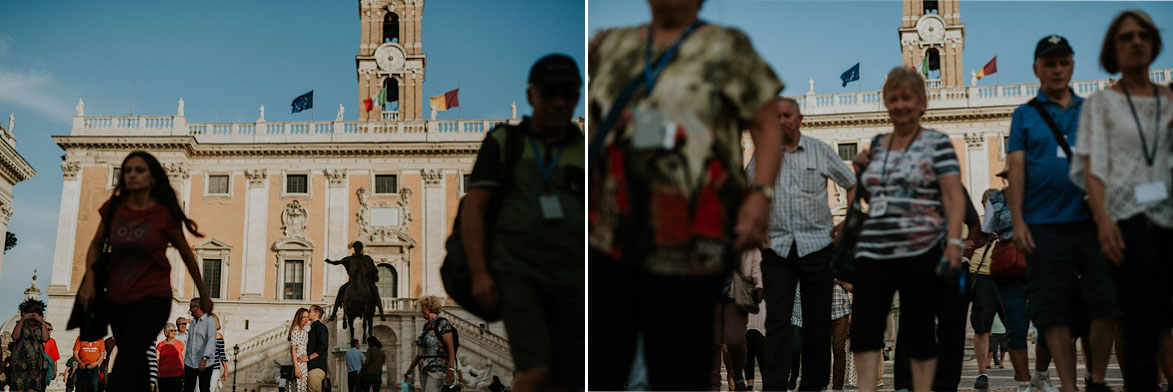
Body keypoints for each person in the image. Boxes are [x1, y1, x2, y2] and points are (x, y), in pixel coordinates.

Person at [587, 0, 784, 389]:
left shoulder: (727, 45)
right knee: (606, 362)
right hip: (612, 232)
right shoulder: (612, 46)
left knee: (680, 363)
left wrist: (760, 193)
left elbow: (766, 123)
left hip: (695, 238)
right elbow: (596, 127)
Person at [1006, 33, 1122, 392]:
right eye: (1049, 63)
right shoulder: (1024, 115)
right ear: (1036, 69)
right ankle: (1069, 386)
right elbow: (1016, 169)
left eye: (1063, 62)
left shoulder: (1092, 110)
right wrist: (1020, 220)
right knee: (1052, 311)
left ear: (1071, 65)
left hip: (1090, 220)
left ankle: (1097, 379)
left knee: (1106, 302)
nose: (1057, 69)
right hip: (1043, 224)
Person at [462, 53, 584, 392]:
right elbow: (474, 209)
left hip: (571, 276)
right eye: (550, 94)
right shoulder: (506, 141)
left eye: (569, 94)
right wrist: (479, 272)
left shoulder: (582, 147)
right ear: (532, 96)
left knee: (573, 370)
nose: (560, 102)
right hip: (519, 274)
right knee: (537, 367)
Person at [1072, 10, 1173, 392]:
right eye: (1125, 36)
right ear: (1113, 48)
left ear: (1154, 43)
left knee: (1164, 323)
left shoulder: (1169, 99)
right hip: (1127, 225)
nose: (1135, 42)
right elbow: (1093, 170)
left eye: (1143, 35)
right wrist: (1103, 220)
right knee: (1137, 329)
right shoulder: (1101, 106)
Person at [849, 66, 965, 392]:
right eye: (894, 98)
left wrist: (954, 242)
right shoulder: (877, 144)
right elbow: (872, 197)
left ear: (922, 103)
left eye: (907, 98)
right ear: (885, 103)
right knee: (866, 329)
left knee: (919, 327)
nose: (900, 105)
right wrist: (860, 172)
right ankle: (867, 389)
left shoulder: (937, 143)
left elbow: (953, 195)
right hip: (874, 248)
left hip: (921, 246)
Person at [76, 151, 214, 391]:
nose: (132, 174)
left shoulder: (163, 212)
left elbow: (185, 252)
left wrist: (203, 291)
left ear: (151, 178)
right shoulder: (113, 208)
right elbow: (96, 245)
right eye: (127, 170)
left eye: (139, 170)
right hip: (119, 296)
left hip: (154, 296)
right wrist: (89, 282)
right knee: (134, 354)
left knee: (131, 350)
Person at [745, 96, 856, 392]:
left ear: (800, 119)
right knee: (778, 323)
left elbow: (852, 182)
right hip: (777, 250)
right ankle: (774, 386)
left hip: (817, 248)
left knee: (817, 324)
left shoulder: (820, 151)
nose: (782, 121)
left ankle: (813, 387)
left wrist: (847, 223)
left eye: (787, 115)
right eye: (776, 117)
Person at [710, 248, 762, 391]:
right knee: (713, 343)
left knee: (736, 340)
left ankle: (738, 374)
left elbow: (755, 255)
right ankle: (714, 385)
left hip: (737, 295)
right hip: (710, 289)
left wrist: (759, 286)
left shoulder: (743, 229)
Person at [405, 296, 457, 392]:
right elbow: (421, 352)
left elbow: (451, 348)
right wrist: (411, 368)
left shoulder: (442, 323)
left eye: (422, 308)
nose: (421, 310)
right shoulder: (427, 326)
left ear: (428, 308)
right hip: (424, 369)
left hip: (438, 369)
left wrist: (451, 369)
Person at [326, 242, 385, 321]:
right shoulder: (350, 259)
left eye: (359, 248)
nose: (357, 249)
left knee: (375, 291)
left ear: (361, 249)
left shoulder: (367, 258)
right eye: (356, 248)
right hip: (352, 281)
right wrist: (331, 262)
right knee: (341, 290)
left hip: (366, 281)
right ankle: (333, 313)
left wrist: (375, 276)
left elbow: (374, 269)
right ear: (354, 249)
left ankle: (381, 313)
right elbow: (339, 262)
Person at [9, 298, 50, 392]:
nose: (33, 317)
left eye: (36, 313)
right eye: (31, 313)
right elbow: (15, 336)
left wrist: (42, 322)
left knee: (33, 388)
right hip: (18, 362)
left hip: (36, 364)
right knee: (18, 387)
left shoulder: (41, 326)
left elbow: (45, 339)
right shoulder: (21, 324)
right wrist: (23, 319)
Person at [184, 298, 218, 392]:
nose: (190, 310)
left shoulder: (210, 321)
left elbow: (211, 340)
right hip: (190, 362)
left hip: (205, 363)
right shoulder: (193, 323)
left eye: (191, 307)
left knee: (204, 388)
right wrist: (186, 359)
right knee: (187, 388)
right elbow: (189, 342)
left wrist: (204, 358)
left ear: (197, 307)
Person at [299, 305, 330, 392]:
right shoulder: (312, 328)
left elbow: (323, 346)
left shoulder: (321, 328)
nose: (308, 313)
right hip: (311, 368)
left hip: (316, 369)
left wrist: (308, 357)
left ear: (315, 314)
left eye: (310, 311)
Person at [830, 281, 852, 392]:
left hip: (841, 310)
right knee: (819, 349)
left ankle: (837, 387)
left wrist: (839, 279)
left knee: (838, 348)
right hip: (820, 310)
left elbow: (852, 286)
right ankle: (818, 384)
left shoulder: (842, 265)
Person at [744, 298, 766, 392]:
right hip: (747, 323)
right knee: (748, 355)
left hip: (762, 322)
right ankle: (750, 384)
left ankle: (766, 381)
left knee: (763, 354)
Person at [157, 323, 185, 392]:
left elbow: (183, 359)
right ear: (166, 333)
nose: (174, 332)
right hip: (164, 376)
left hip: (177, 375)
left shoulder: (181, 344)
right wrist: (157, 372)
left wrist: (184, 373)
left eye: (175, 330)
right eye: (171, 330)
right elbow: (157, 360)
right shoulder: (160, 345)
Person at [288, 308, 311, 392]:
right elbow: (293, 350)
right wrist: (297, 367)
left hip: (303, 364)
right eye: (303, 317)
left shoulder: (304, 331)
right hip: (298, 364)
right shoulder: (296, 330)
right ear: (299, 318)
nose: (306, 319)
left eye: (307, 317)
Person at [210, 314, 228, 392]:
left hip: (214, 367)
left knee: (211, 389)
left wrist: (225, 369)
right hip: (201, 367)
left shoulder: (219, 336)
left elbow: (222, 354)